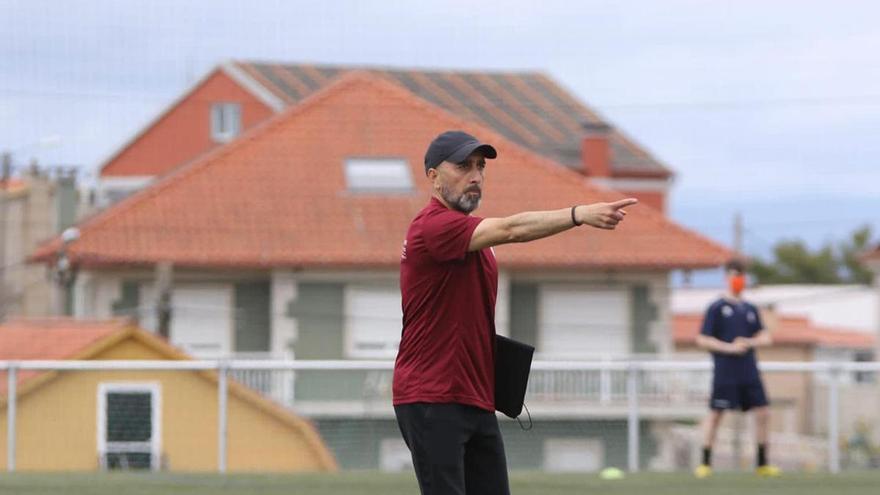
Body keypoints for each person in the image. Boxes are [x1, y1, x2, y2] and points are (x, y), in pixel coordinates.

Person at [393, 130, 638, 495]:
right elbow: (511, 229)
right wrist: (578, 214)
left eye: (480, 166)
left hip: (474, 396)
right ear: (433, 176)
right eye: (463, 166)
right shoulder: (432, 226)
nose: (475, 175)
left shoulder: (474, 238)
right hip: (432, 396)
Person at [694, 259, 781, 478]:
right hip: (725, 370)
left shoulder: (750, 309)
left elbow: (765, 337)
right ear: (727, 277)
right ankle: (705, 463)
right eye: (735, 275)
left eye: (742, 275)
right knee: (716, 415)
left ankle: (762, 464)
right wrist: (729, 348)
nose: (738, 279)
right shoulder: (716, 308)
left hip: (749, 370)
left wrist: (749, 342)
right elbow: (702, 339)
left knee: (763, 412)